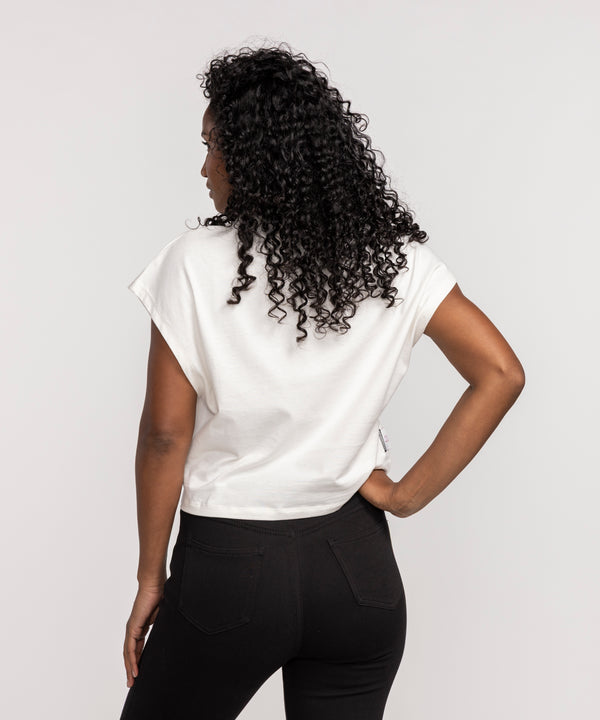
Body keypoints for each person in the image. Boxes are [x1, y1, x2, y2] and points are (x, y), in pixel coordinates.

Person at [119, 42, 525, 720]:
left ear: (255, 157)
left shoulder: (193, 263)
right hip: (357, 570)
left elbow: (165, 436)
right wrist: (401, 497)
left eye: (213, 147)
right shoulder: (397, 264)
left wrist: (148, 576)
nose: (205, 167)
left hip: (229, 568)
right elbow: (501, 372)